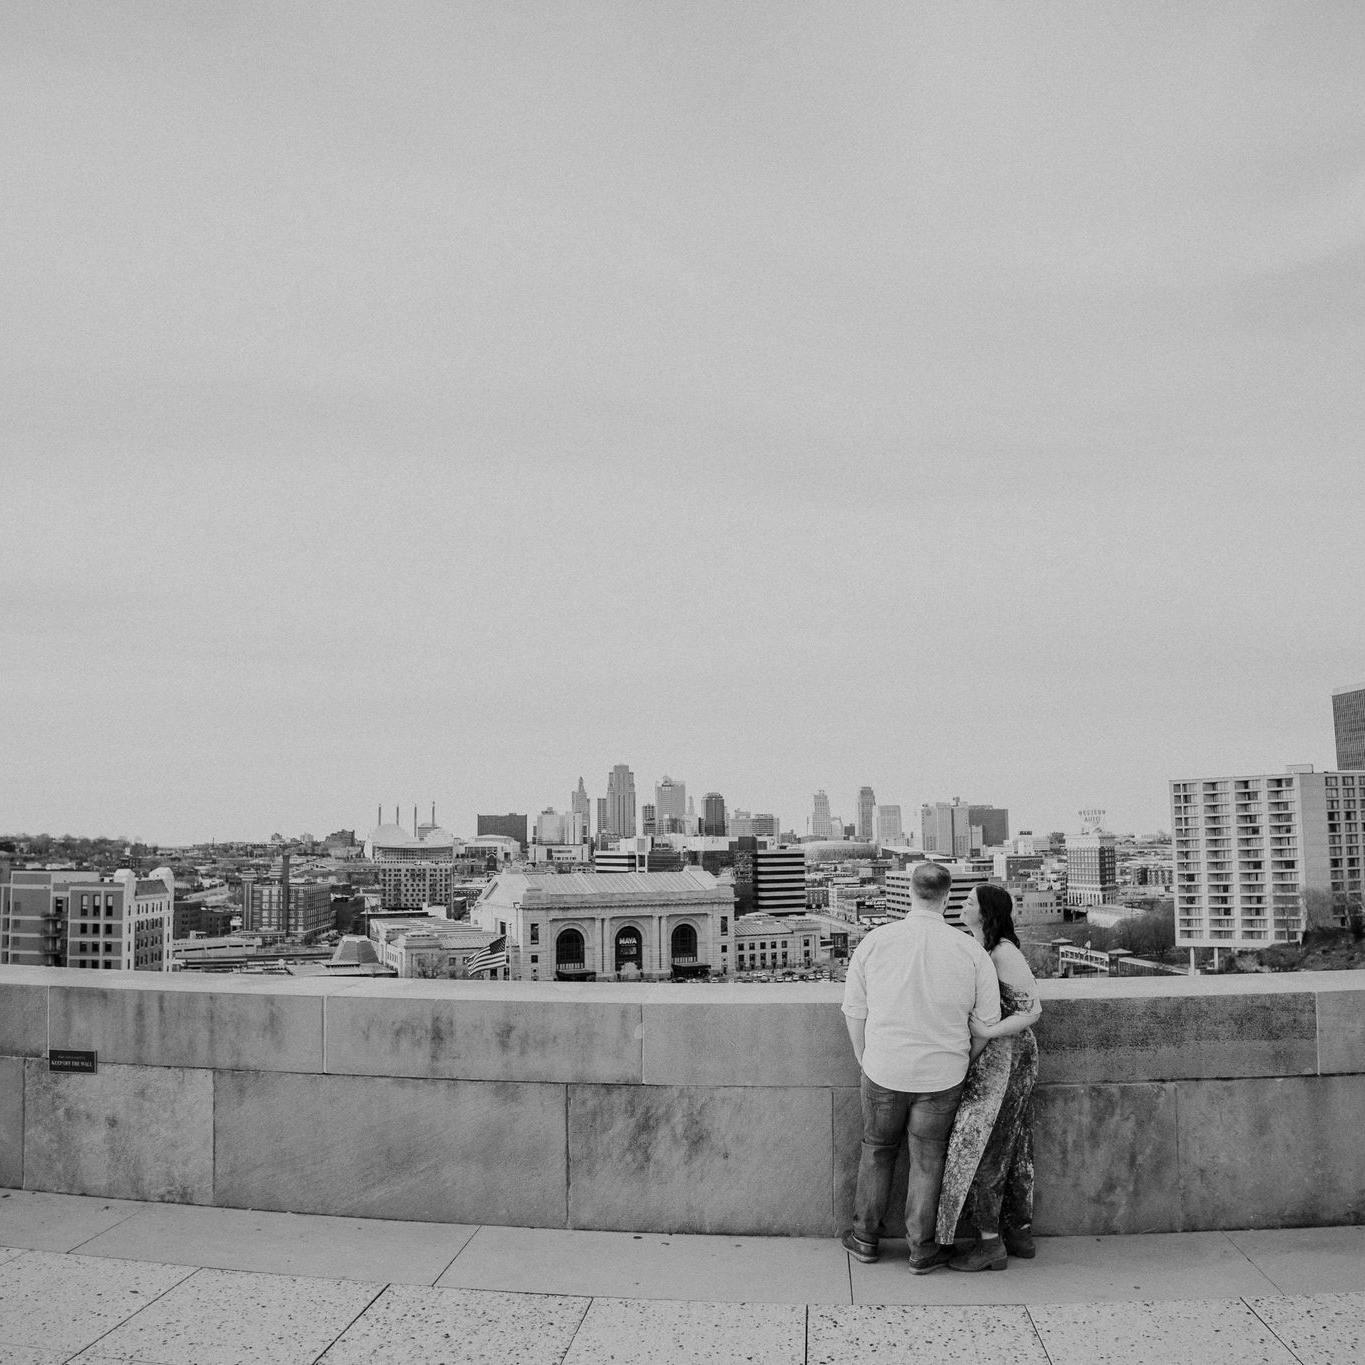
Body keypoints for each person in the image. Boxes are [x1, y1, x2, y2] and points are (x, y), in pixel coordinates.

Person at [840, 861, 1002, 1274]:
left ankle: (864, 1239)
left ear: (910, 892)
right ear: (947, 898)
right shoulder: (971, 951)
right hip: (943, 1074)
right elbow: (987, 1024)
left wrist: (865, 1057)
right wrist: (962, 1060)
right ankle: (921, 1250)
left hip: (884, 1067)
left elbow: (854, 1011)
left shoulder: (875, 941)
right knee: (929, 1161)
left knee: (877, 1150)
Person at [936, 884, 1042, 1272]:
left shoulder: (1003, 952)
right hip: (997, 1057)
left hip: (1007, 1059)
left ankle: (989, 1243)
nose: (962, 905)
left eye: (969, 902)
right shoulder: (981, 946)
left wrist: (988, 1031)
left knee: (986, 1146)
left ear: (986, 912)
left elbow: (1032, 1010)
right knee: (1009, 1143)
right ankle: (1017, 1232)